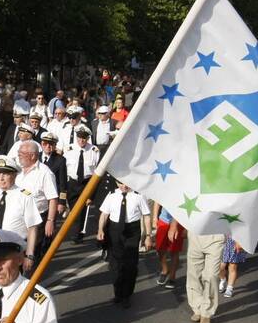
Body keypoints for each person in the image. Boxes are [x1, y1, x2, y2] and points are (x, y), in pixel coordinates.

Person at [96, 179, 152, 307]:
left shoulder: (138, 195)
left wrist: (148, 236)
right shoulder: (111, 195)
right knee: (115, 265)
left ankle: (127, 295)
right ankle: (118, 293)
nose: (124, 186)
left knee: (130, 265)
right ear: (116, 183)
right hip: (115, 231)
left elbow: (146, 215)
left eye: (126, 183)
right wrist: (100, 230)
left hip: (132, 231)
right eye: (120, 183)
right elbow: (104, 214)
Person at [15, 140, 58, 260]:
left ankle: (31, 278)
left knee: (32, 254)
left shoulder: (45, 173)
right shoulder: (18, 171)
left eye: (21, 153)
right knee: (17, 252)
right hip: (19, 218)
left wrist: (50, 220)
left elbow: (53, 198)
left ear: (32, 155)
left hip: (37, 219)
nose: (18, 155)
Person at [62, 126, 100, 242]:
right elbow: (65, 169)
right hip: (72, 183)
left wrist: (91, 195)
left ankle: (77, 234)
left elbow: (96, 172)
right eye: (79, 137)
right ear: (76, 137)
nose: (81, 140)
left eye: (84, 138)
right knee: (73, 209)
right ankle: (76, 231)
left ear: (88, 138)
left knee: (82, 210)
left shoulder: (94, 150)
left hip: (86, 183)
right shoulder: (68, 149)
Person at [185, 231, 225, 323]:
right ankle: (197, 308)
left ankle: (206, 312)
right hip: (195, 233)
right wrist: (173, 226)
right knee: (193, 274)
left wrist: (239, 239)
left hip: (216, 236)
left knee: (211, 276)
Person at [151, 203, 182, 289]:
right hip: (163, 220)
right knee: (160, 249)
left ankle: (172, 277)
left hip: (179, 222)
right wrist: (154, 218)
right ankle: (165, 270)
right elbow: (157, 201)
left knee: (174, 251)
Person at [38, 132, 67, 212]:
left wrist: (62, 202)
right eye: (45, 143)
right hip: (37, 198)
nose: (48, 146)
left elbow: (62, 184)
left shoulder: (60, 160)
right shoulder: (35, 156)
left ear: (55, 146)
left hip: (52, 198)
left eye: (51, 144)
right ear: (41, 144)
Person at [219, 235, 245, 299]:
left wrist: (240, 241)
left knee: (233, 266)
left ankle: (229, 288)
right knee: (221, 267)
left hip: (236, 241)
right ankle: (223, 279)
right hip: (222, 241)